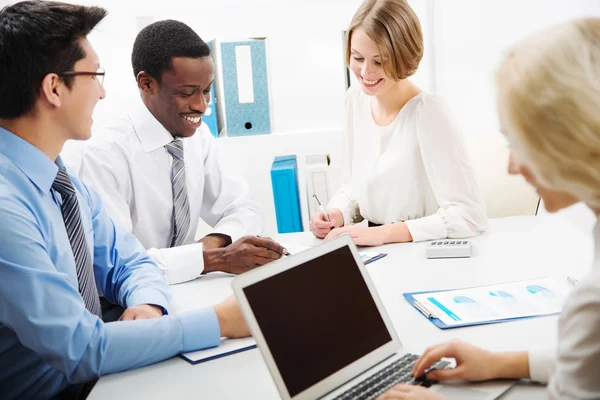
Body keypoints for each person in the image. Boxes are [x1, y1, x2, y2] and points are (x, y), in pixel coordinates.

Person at [0, 2, 249, 399]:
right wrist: (218, 322)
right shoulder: (7, 208)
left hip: (103, 377)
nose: (103, 91)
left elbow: (130, 262)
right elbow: (81, 349)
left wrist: (148, 306)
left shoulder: (61, 181)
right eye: (95, 76)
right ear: (53, 88)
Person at [378, 17, 600, 400]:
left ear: (569, 136)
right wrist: (501, 363)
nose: (512, 166)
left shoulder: (591, 303)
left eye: (516, 142)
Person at [70, 19, 286, 286]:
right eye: (186, 93)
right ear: (147, 83)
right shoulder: (104, 154)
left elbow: (245, 208)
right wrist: (211, 259)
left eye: (206, 91)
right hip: (128, 301)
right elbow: (116, 265)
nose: (201, 106)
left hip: (186, 285)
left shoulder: (198, 136)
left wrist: (211, 244)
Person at [311, 0, 487, 246]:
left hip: (422, 248)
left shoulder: (428, 112)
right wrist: (337, 213)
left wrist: (384, 234)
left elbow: (469, 215)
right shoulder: (356, 99)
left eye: (379, 62)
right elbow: (353, 185)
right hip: (375, 247)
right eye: (357, 57)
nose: (365, 72)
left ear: (403, 56)